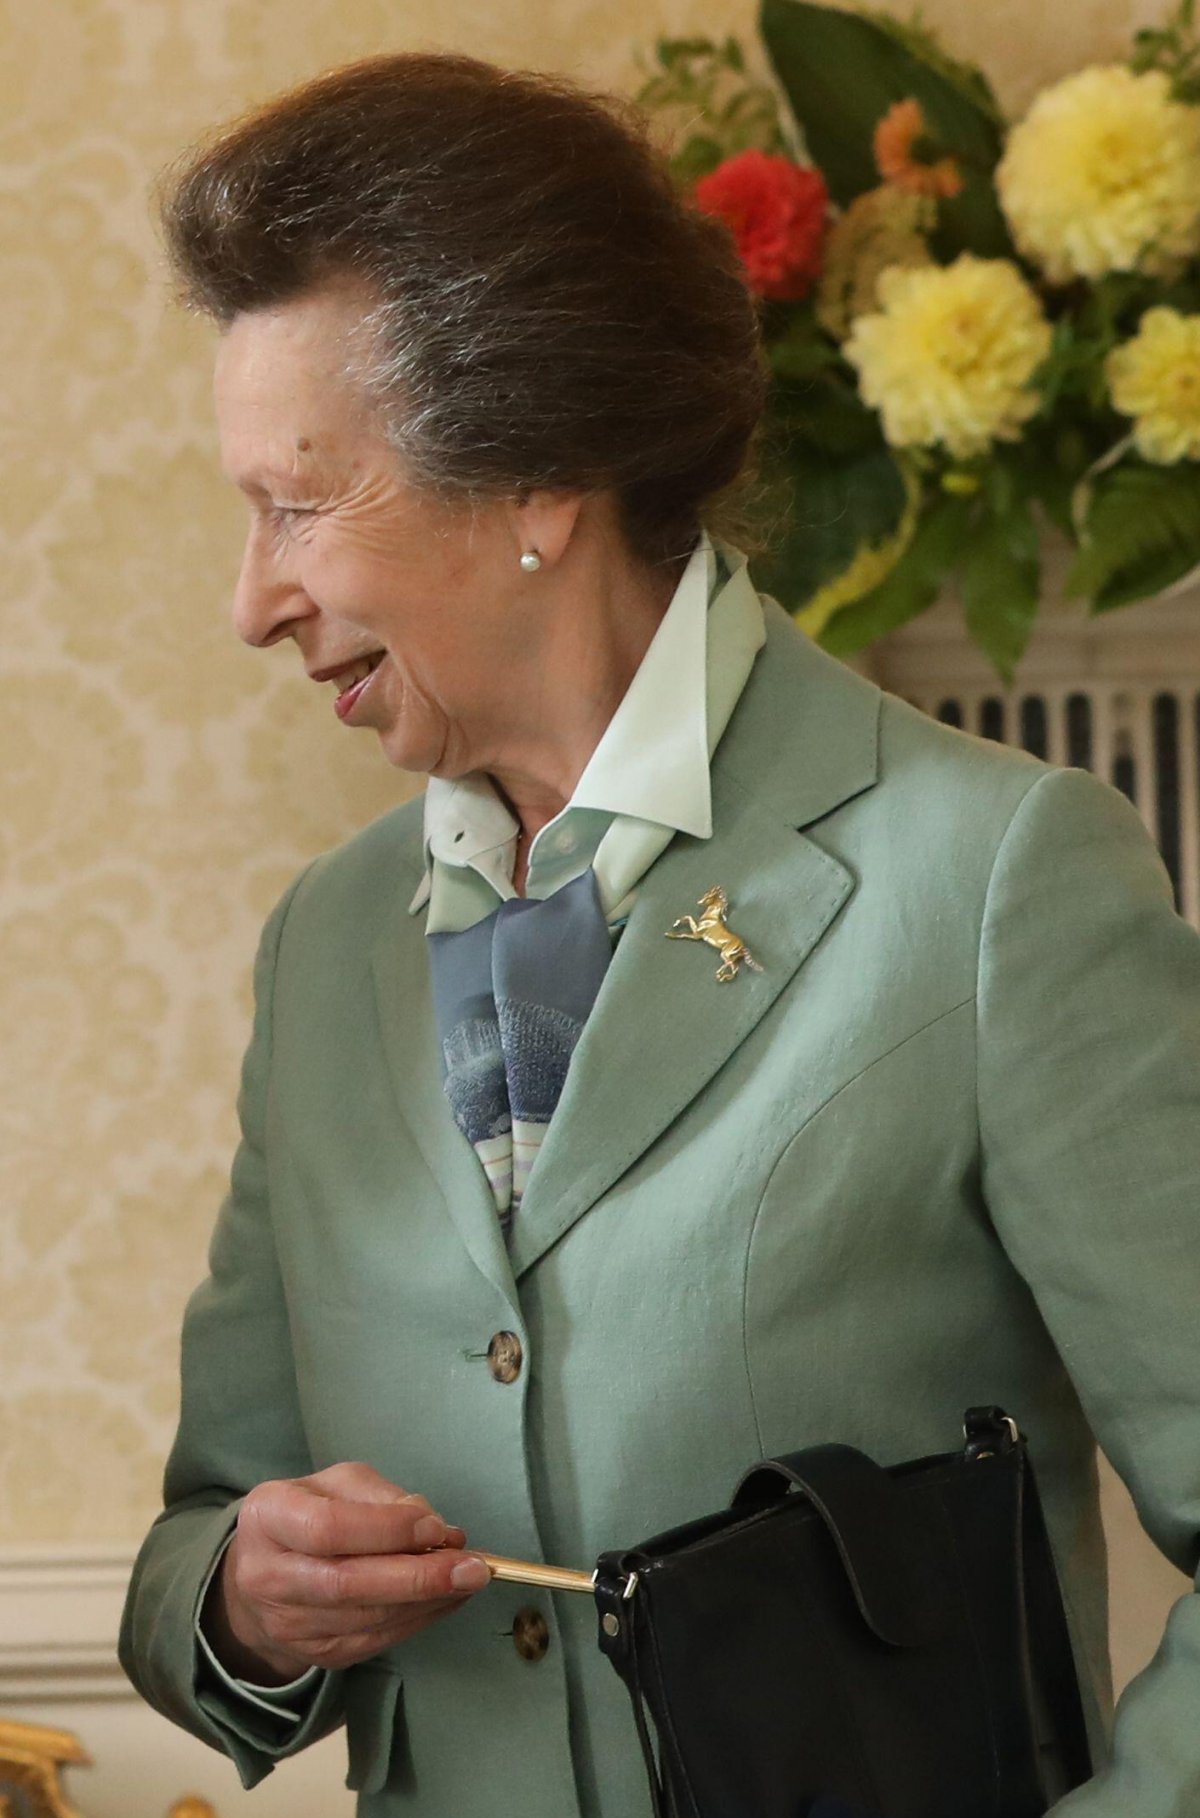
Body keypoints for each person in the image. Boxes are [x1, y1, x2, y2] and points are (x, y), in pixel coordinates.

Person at [119, 49, 1200, 1818]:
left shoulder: (999, 879)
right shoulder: (326, 946)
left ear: (541, 476)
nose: (253, 602)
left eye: (298, 504)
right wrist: (248, 1594)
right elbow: (197, 1547)